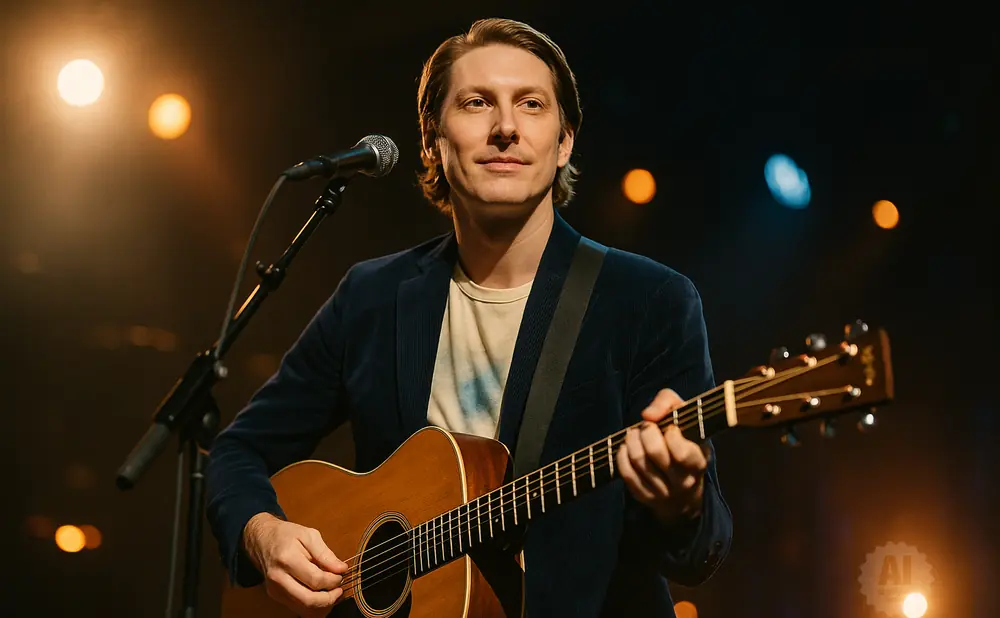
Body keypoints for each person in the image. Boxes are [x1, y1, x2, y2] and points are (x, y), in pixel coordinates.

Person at [205, 17, 733, 618]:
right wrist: (262, 533)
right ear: (432, 140)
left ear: (564, 143)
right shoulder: (373, 297)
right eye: (478, 102)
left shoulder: (649, 300)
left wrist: (680, 500)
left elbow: (700, 550)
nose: (505, 127)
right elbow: (237, 452)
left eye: (531, 105)